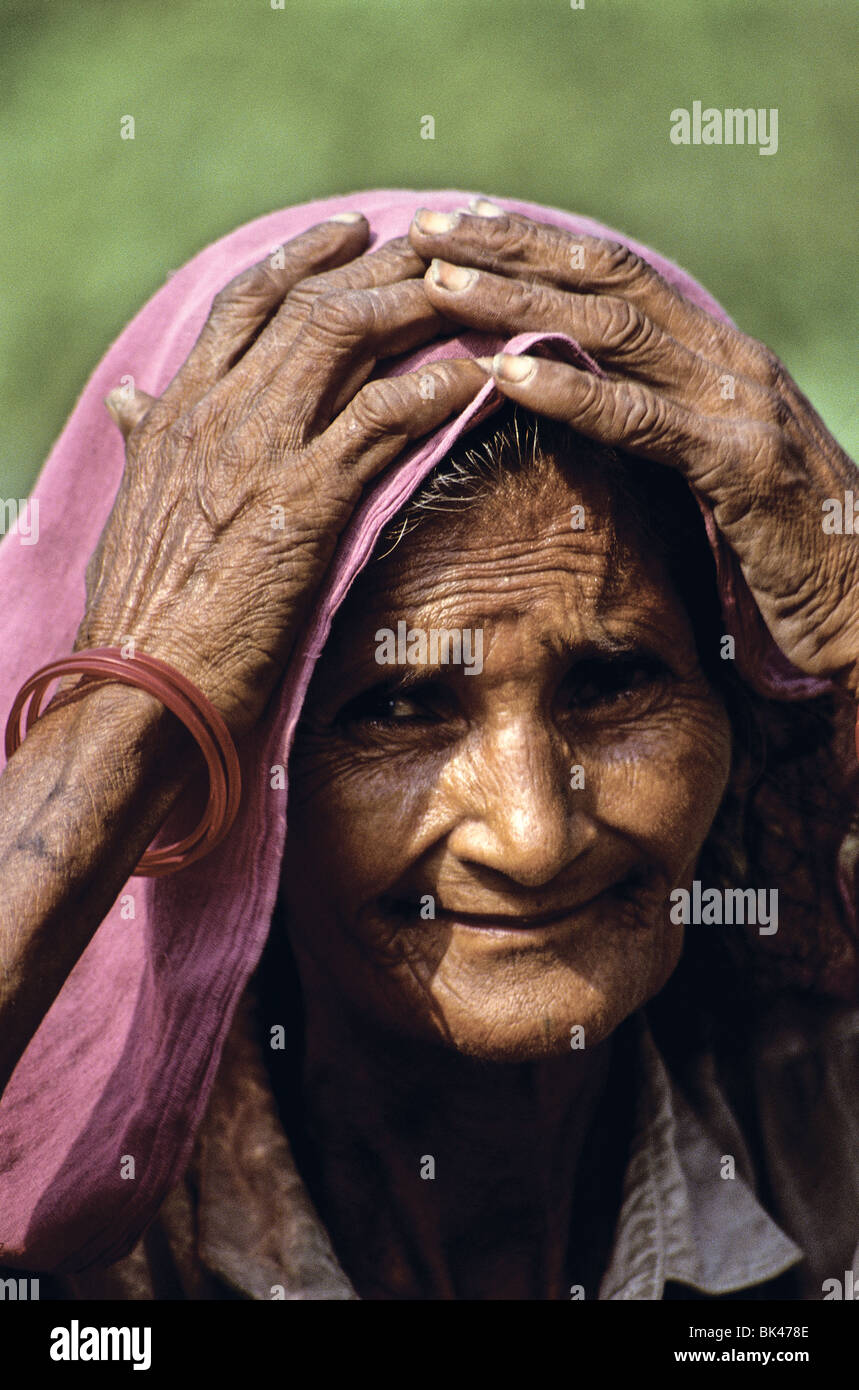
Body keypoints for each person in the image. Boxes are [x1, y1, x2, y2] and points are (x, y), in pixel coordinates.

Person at [0, 190, 857, 1300]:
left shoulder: (819, 1132)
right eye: (398, 707)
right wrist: (141, 687)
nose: (533, 837)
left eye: (612, 682)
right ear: (240, 772)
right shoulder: (90, 1259)